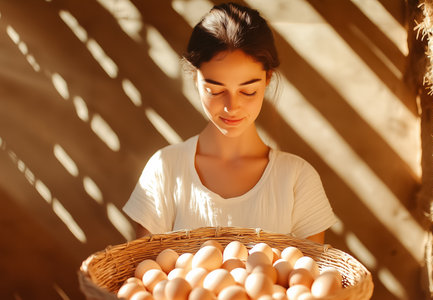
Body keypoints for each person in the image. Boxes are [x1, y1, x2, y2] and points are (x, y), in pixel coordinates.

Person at [123, 2, 336, 244]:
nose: (231, 107)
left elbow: (309, 279)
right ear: (194, 77)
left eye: (248, 92)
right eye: (214, 90)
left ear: (267, 80)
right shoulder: (165, 170)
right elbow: (145, 275)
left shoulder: (297, 179)